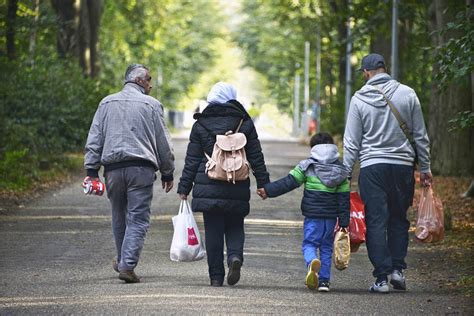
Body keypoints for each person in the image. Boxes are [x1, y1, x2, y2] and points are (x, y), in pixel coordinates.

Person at [343, 53, 432, 293]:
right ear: (385, 69)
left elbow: (352, 142)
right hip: (402, 167)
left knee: (375, 220)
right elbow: (420, 136)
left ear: (366, 72)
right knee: (398, 218)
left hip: (372, 168)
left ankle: (381, 278)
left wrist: (345, 173)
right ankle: (398, 271)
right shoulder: (408, 93)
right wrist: (425, 168)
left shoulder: (359, 99)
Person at [83, 64, 175, 283]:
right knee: (138, 218)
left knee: (119, 214)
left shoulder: (106, 102)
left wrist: (91, 170)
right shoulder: (152, 105)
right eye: (149, 80)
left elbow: (95, 137)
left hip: (113, 171)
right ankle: (127, 265)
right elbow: (163, 142)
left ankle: (124, 259)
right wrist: (167, 172)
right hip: (140, 170)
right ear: (139, 80)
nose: (151, 85)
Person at [177, 82, 270, 287]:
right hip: (237, 181)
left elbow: (192, 160)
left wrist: (184, 188)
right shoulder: (244, 121)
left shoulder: (200, 124)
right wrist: (264, 183)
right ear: (232, 97)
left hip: (208, 182)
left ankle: (216, 277)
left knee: (213, 230)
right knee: (236, 223)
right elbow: (255, 155)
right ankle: (234, 257)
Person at [257, 132, 349, 292]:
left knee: (310, 244)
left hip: (313, 216)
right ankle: (324, 282)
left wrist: (268, 191)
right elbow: (343, 199)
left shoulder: (307, 166)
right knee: (326, 247)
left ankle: (312, 261)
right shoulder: (341, 171)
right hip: (331, 217)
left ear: (313, 148)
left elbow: (288, 183)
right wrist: (344, 222)